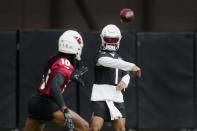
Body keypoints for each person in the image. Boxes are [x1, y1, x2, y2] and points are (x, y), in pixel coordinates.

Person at [23, 30, 89, 131]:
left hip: (36, 101)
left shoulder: (54, 57)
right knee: (84, 127)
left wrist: (70, 76)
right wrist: (64, 109)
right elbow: (54, 87)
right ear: (74, 46)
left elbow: (53, 76)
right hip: (46, 103)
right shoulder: (65, 63)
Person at [90, 24, 141, 131]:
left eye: (114, 39)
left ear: (119, 40)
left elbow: (126, 74)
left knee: (121, 129)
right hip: (101, 96)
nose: (111, 41)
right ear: (102, 39)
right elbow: (112, 63)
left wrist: (124, 82)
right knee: (95, 128)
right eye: (108, 39)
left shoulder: (120, 59)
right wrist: (132, 66)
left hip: (116, 97)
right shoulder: (99, 56)